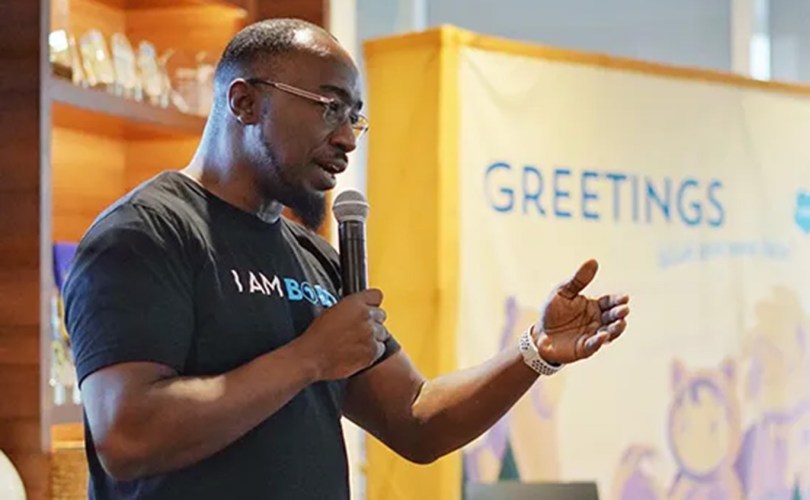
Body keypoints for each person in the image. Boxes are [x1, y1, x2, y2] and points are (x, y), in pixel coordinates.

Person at [62, 18, 631, 500]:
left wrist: (535, 351)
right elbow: (127, 437)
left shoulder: (312, 255)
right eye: (330, 108)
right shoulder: (146, 234)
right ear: (244, 101)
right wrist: (308, 358)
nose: (349, 138)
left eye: (355, 116)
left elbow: (414, 419)